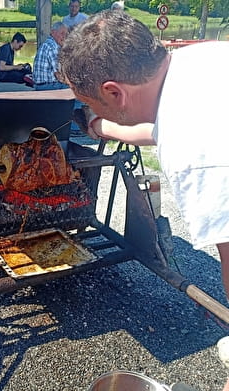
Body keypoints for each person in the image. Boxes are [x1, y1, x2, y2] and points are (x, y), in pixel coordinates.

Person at [59, 10, 229, 391]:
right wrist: (104, 125)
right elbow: (164, 127)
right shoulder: (198, 60)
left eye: (89, 103)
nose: (90, 111)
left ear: (114, 92)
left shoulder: (198, 154)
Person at [33, 22, 69, 91]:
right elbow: (58, 74)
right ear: (53, 33)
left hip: (41, 85)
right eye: (62, 33)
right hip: (46, 86)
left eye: (66, 34)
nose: (64, 37)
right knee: (77, 92)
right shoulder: (52, 46)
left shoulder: (49, 43)